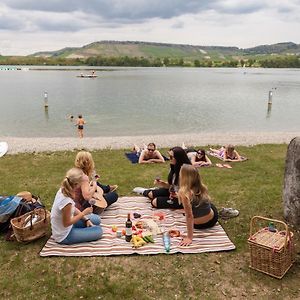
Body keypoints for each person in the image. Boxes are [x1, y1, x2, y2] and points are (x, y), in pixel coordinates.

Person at [50, 167, 103, 245]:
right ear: (77, 184)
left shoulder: (65, 189)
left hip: (67, 224)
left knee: (97, 219)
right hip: (64, 235)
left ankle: (82, 228)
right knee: (99, 231)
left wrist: (86, 220)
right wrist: (83, 213)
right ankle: (78, 232)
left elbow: (73, 208)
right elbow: (66, 223)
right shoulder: (66, 201)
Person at [177, 164, 218, 246]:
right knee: (210, 205)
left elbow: (189, 216)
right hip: (213, 219)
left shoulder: (184, 192)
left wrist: (189, 237)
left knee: (189, 212)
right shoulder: (201, 187)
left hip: (200, 225)